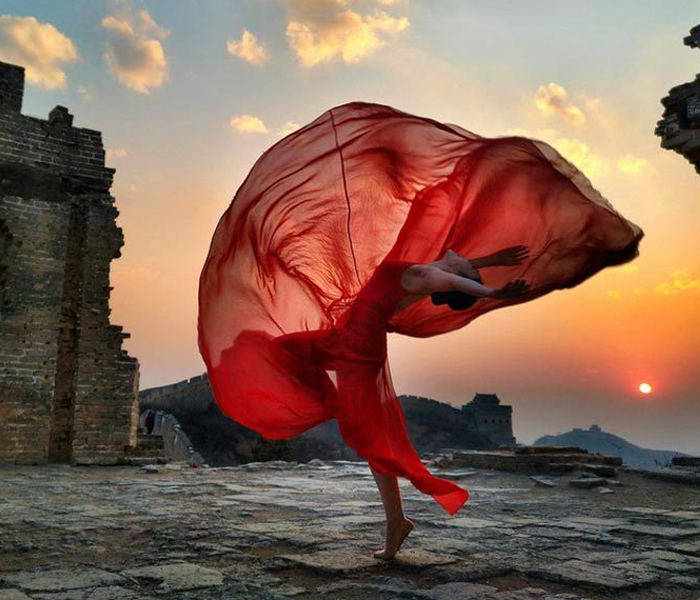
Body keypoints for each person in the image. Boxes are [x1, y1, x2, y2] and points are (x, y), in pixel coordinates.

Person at [197, 102, 643, 561]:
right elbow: (457, 267)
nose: (469, 258)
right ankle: (390, 508)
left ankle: (396, 521)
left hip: (356, 349)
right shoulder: (431, 268)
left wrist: (493, 292)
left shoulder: (422, 277)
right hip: (349, 341)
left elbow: (451, 278)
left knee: (367, 431)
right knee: (285, 354)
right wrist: (490, 265)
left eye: (471, 269)